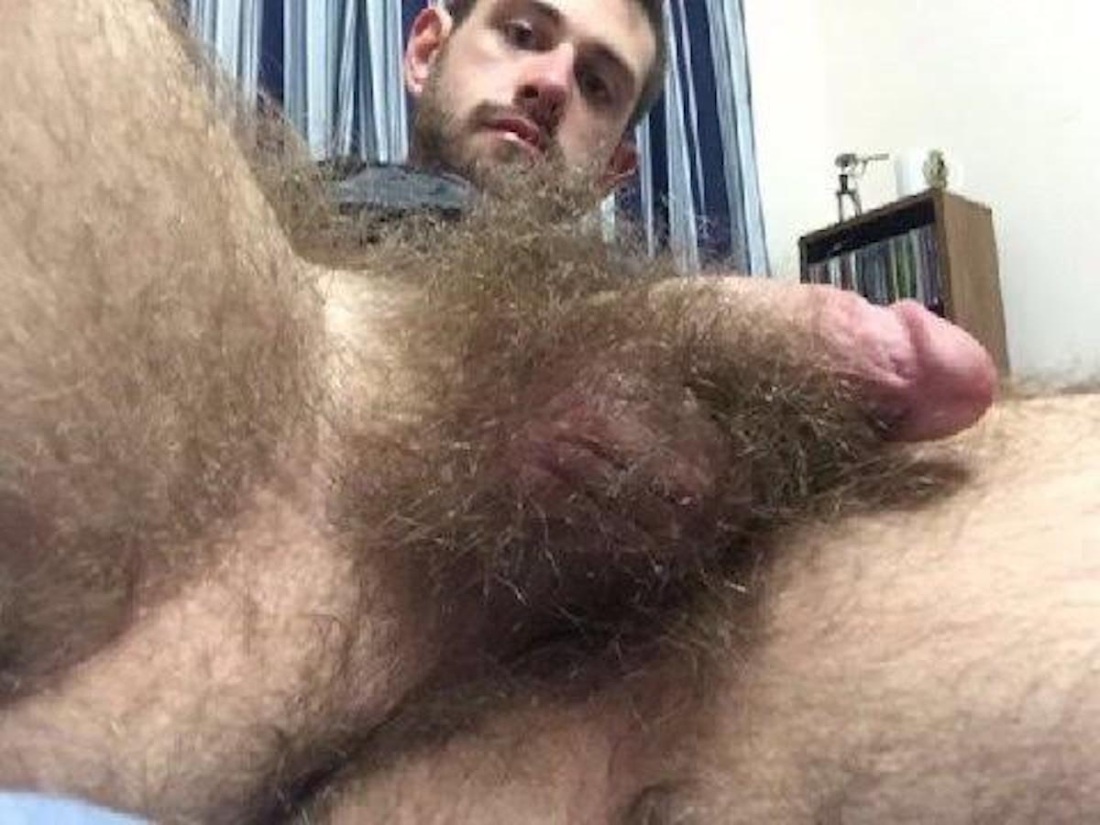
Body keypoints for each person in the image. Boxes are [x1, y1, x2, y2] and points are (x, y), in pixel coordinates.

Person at [3, 1, 1096, 824]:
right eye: (523, 32)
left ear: (614, 168)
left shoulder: (647, 304)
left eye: (599, 83)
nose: (550, 81)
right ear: (425, 49)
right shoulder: (235, 216)